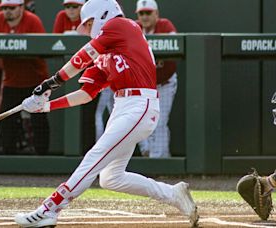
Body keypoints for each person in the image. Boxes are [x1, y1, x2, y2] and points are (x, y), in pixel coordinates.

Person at [15, 0, 199, 227]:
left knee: (94, 157)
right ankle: (173, 194)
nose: (89, 28)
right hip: (122, 107)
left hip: (140, 104)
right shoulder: (107, 54)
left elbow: (81, 58)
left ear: (104, 14)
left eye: (91, 22)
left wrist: (49, 84)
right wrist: (46, 106)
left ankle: (50, 208)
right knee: (111, 177)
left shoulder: (122, 25)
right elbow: (86, 94)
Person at [0, 0, 50, 155]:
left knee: (39, 121)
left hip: (35, 80)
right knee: (6, 119)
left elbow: (42, 47)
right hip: (12, 80)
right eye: (5, 8)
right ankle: (10, 156)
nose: (7, 11)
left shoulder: (32, 21)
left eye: (12, 8)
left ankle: (42, 158)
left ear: (21, 7)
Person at [135, 0, 178, 158]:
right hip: (144, 86)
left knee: (159, 122)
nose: (144, 17)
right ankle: (154, 154)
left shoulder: (165, 25)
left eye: (148, 13)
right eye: (141, 13)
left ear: (156, 14)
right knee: (142, 120)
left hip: (165, 82)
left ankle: (158, 161)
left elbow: (176, 43)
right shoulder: (135, 27)